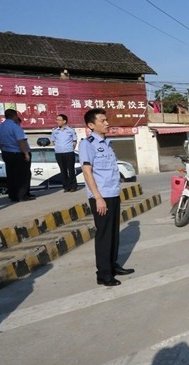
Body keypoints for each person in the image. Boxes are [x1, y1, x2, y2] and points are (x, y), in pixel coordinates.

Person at [79, 108, 135, 287]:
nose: (107, 123)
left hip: (113, 194)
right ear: (91, 125)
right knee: (104, 235)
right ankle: (103, 274)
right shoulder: (87, 144)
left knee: (113, 234)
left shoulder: (107, 143)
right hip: (101, 196)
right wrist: (98, 198)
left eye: (106, 120)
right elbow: (87, 172)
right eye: (102, 121)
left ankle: (112, 265)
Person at [0, 109, 33, 202]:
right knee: (22, 175)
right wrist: (26, 153)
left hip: (7, 153)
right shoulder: (15, 127)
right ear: (14, 115)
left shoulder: (0, 127)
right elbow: (20, 141)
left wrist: (3, 151)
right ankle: (22, 195)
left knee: (11, 176)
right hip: (18, 154)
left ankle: (13, 196)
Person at [51, 114, 78, 192]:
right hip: (59, 153)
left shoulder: (70, 130)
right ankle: (66, 187)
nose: (57, 121)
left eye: (59, 120)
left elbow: (74, 141)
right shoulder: (55, 131)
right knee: (63, 170)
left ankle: (73, 186)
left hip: (69, 152)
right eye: (56, 120)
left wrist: (71, 148)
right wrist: (58, 148)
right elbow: (53, 141)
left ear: (64, 121)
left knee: (71, 169)